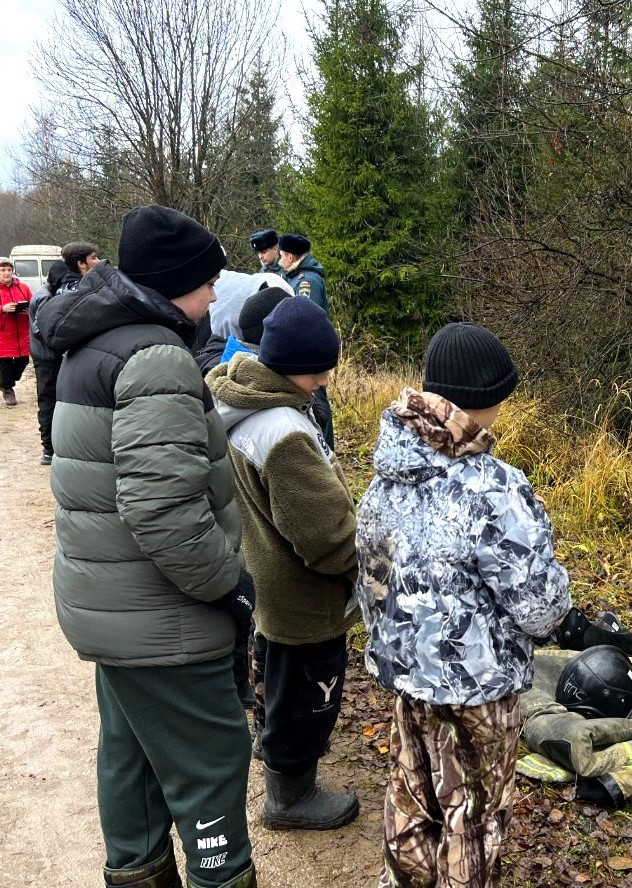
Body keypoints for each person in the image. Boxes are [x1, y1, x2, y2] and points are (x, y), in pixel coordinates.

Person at [37, 204, 257, 888]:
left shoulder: (93, 341)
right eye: (207, 281)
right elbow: (163, 511)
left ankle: (136, 872)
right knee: (210, 763)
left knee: (130, 763)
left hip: (114, 607)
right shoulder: (156, 356)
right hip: (164, 619)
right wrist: (231, 585)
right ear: (174, 282)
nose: (216, 295)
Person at [354, 322, 572, 887]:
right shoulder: (493, 487)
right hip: (479, 691)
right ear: (485, 400)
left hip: (406, 676)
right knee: (473, 815)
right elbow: (540, 608)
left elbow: (371, 579)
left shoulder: (386, 471)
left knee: (413, 791)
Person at [207, 297, 360, 831]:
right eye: (320, 371)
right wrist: (362, 570)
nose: (323, 382)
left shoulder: (238, 400)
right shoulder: (285, 433)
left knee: (274, 678)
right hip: (302, 597)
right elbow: (325, 537)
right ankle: (290, 798)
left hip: (262, 577)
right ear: (296, 365)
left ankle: (271, 756)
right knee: (307, 698)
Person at [29, 244, 101, 463]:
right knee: (49, 401)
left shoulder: (55, 291)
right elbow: (44, 331)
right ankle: (49, 449)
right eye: (94, 258)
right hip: (47, 358)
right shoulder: (44, 297)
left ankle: (64, 444)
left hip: (58, 355)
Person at [278, 233, 334, 449]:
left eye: (282, 255)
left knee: (317, 400)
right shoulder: (293, 276)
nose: (280, 260)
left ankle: (325, 447)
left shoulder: (307, 281)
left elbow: (304, 318)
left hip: (310, 352)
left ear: (290, 257)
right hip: (305, 350)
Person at [0, 256, 33, 407]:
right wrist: (2, 308)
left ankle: (5, 382)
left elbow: (34, 303)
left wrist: (29, 310)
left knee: (23, 361)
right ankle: (8, 390)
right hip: (3, 334)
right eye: (2, 270)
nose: (7, 273)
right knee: (5, 365)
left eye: (9, 269)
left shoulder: (23, 287)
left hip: (22, 332)